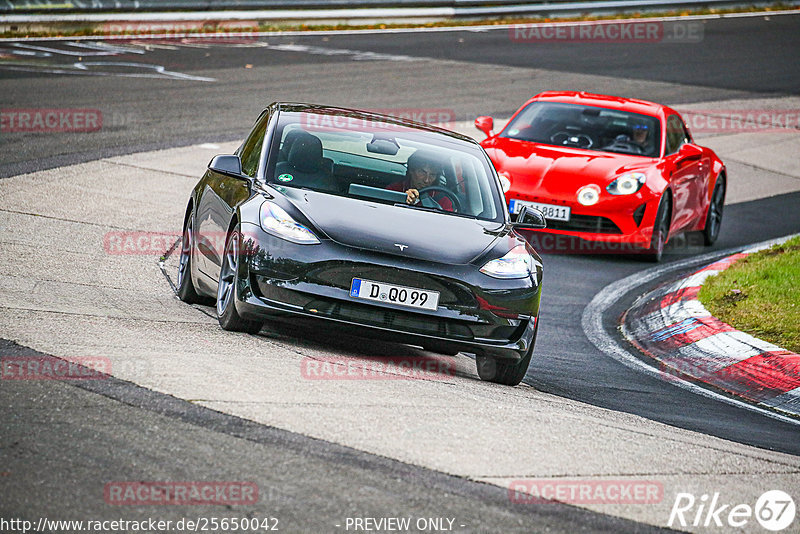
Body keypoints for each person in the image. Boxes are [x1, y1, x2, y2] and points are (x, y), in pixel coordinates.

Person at [387, 150, 454, 211]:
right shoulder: (394, 190)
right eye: (422, 172)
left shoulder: (443, 200)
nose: (426, 180)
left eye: (432, 175)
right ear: (411, 170)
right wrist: (402, 198)